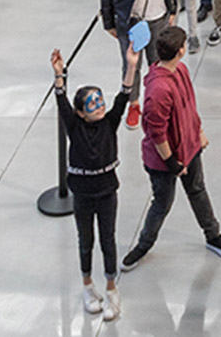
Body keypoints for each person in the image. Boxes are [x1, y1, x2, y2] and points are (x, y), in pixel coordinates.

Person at [123, 26, 221, 268]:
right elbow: (157, 132)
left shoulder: (181, 70)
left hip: (189, 149)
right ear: (181, 50)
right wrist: (172, 162)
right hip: (165, 161)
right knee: (162, 203)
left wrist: (199, 132)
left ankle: (213, 235)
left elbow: (189, 105)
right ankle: (144, 244)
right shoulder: (158, 89)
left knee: (198, 191)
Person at [51, 44, 138, 320]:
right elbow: (62, 103)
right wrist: (59, 76)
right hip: (83, 194)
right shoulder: (74, 127)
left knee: (108, 239)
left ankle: (112, 288)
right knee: (85, 240)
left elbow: (124, 96)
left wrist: (132, 65)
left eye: (100, 101)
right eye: (92, 104)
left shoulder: (109, 123)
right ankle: (88, 285)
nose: (99, 107)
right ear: (80, 112)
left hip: (107, 192)